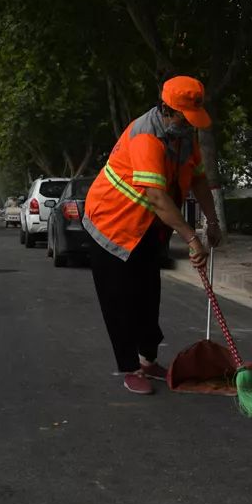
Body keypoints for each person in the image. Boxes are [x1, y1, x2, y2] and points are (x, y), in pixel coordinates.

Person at [84, 75, 223, 395]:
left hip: (147, 227)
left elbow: (199, 180)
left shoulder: (185, 136)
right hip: (111, 225)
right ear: (168, 110)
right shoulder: (146, 136)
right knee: (119, 300)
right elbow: (157, 197)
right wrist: (191, 238)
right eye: (186, 119)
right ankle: (130, 367)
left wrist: (212, 222)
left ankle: (148, 359)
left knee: (148, 295)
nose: (192, 126)